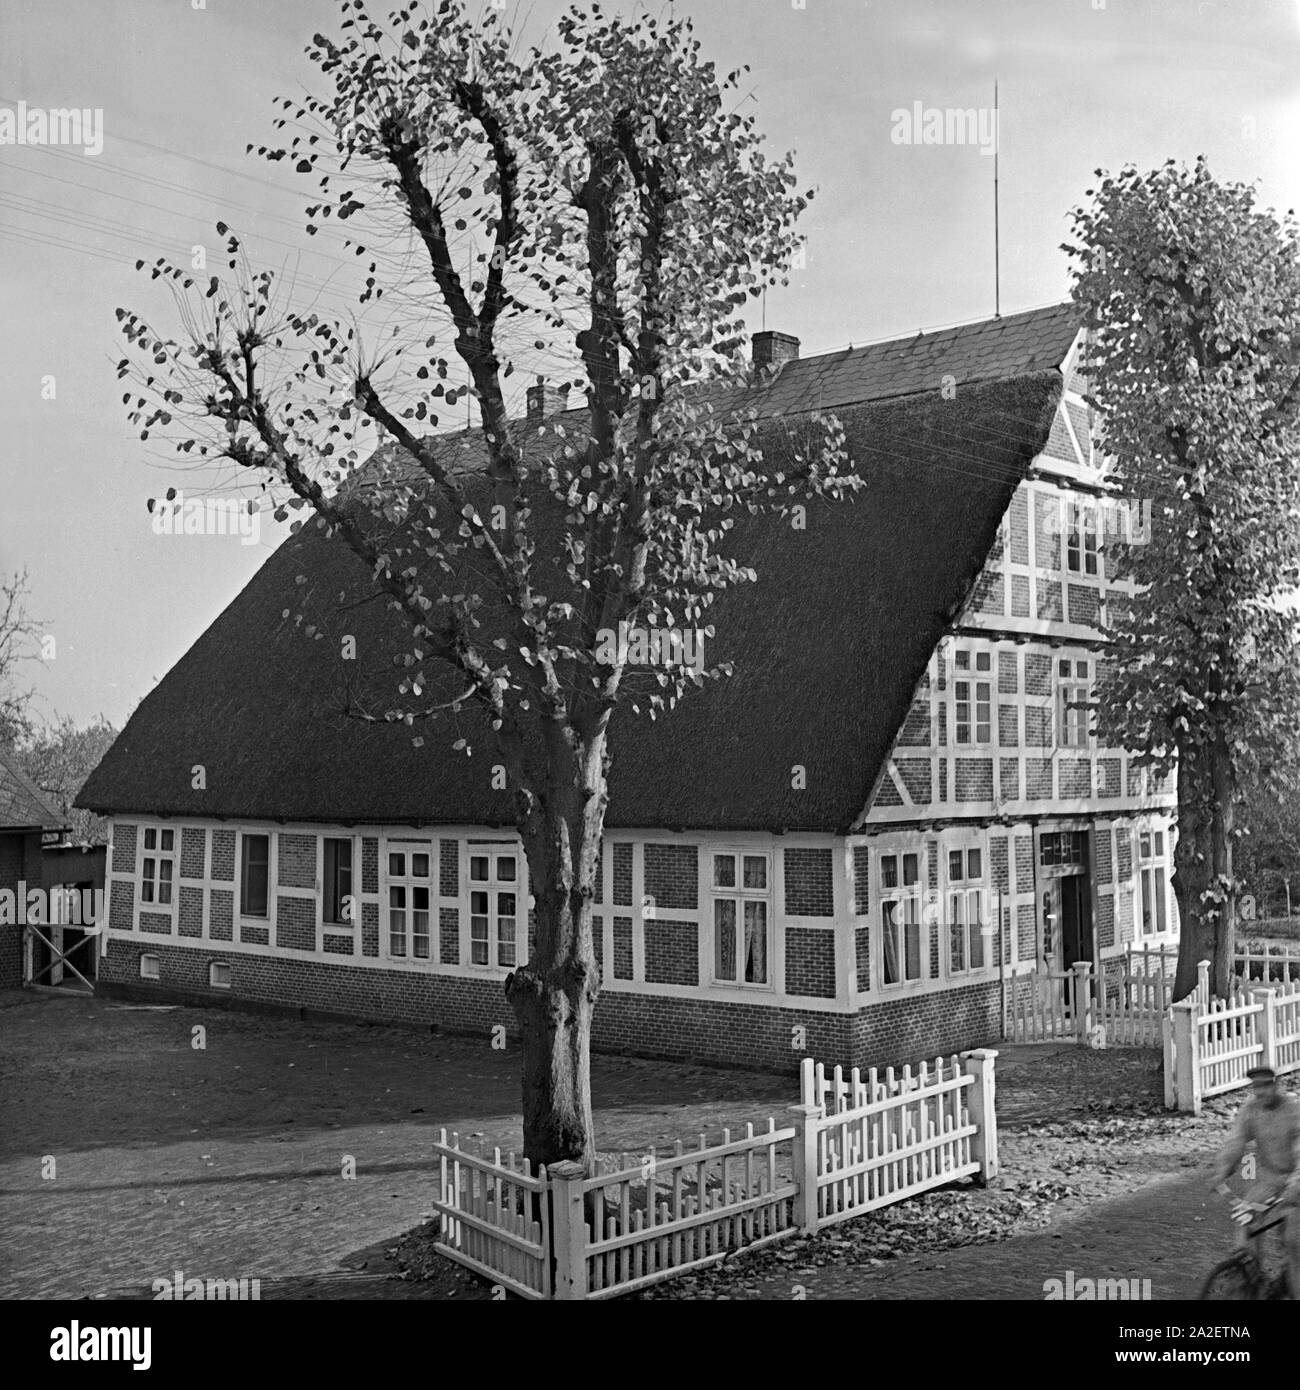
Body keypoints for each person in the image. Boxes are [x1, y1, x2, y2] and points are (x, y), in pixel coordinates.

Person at [1211, 1066, 1300, 1296]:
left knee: (1292, 1241)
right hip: (1269, 1180)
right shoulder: (1251, 1109)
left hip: (1295, 1183)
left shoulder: (1293, 1110)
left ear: (1275, 1085)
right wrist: (1222, 1170)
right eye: (1256, 1087)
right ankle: (1249, 1279)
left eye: (1265, 1086)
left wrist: (1294, 1185)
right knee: (1245, 1217)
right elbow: (1236, 1142)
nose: (1261, 1092)